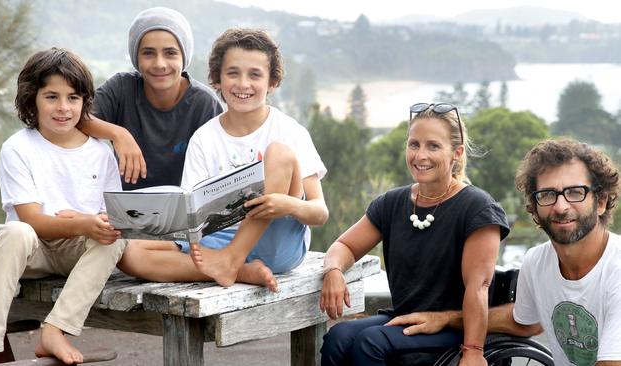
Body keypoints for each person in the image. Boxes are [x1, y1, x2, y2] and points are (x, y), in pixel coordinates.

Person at [117, 28, 329, 292]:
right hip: (220, 240)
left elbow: (320, 213)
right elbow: (193, 214)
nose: (243, 84)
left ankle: (232, 261)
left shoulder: (289, 131)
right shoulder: (204, 138)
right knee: (129, 252)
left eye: (255, 74)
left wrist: (288, 204)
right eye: (233, 73)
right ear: (217, 79)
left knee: (278, 154)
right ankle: (239, 271)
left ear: (272, 82)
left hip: (276, 240)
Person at [318, 103, 510, 366]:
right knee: (338, 338)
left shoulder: (477, 208)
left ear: (457, 153)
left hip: (452, 328)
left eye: (433, 146)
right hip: (404, 318)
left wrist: (473, 350)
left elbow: (479, 287)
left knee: (370, 343)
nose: (420, 155)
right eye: (414, 144)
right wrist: (334, 271)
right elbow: (345, 246)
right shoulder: (392, 203)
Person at [0, 48, 126, 366]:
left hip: (77, 256)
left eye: (73, 97)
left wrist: (91, 224)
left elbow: (111, 216)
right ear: (33, 100)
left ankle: (56, 330)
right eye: (51, 96)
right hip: (32, 253)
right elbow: (32, 220)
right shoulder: (18, 148)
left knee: (115, 238)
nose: (63, 108)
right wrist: (84, 222)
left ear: (84, 102)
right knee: (16, 231)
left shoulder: (100, 153)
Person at [78, 7, 223, 189]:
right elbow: (77, 118)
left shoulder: (204, 104)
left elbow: (219, 165)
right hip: (126, 209)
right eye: (148, 53)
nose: (159, 64)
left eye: (170, 53)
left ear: (184, 56)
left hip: (184, 211)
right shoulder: (122, 88)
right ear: (136, 57)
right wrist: (119, 134)